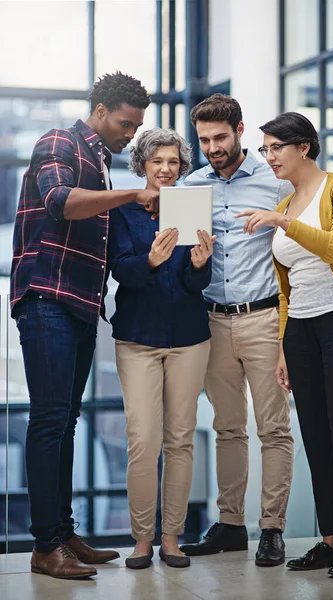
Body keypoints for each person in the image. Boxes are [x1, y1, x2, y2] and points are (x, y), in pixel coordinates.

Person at [10, 71, 159, 580]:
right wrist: (133, 196)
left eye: (136, 127)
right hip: (47, 300)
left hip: (76, 305)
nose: (129, 135)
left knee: (65, 421)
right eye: (124, 124)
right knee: (50, 421)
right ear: (100, 112)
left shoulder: (97, 158)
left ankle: (62, 533)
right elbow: (61, 203)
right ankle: (45, 546)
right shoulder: (60, 141)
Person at [237, 111, 333, 578]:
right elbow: (287, 288)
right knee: (317, 437)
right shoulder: (286, 197)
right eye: (264, 149)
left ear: (304, 147)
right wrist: (283, 345)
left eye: (275, 147)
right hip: (301, 327)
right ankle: (332, 540)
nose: (269, 157)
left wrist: (282, 222)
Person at [179, 94, 294, 567]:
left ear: (241, 130)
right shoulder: (190, 186)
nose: (213, 147)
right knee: (227, 427)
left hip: (265, 319)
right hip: (212, 321)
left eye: (220, 137)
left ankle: (273, 529)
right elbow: (182, 266)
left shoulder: (274, 181)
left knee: (274, 429)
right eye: (204, 139)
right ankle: (230, 525)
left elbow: (298, 241)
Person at [108, 128, 214, 569]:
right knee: (143, 440)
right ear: (143, 166)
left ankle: (171, 538)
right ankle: (140, 540)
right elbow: (119, 272)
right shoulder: (124, 213)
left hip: (189, 338)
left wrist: (199, 264)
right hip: (138, 338)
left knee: (181, 439)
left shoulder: (193, 207)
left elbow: (198, 284)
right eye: (158, 162)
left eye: (173, 162)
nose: (166, 169)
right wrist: (150, 260)